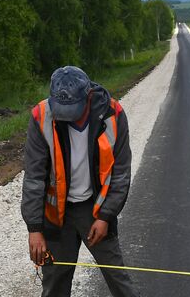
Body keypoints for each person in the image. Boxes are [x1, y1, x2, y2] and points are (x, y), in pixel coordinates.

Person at [21, 66, 140, 297]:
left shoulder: (112, 114)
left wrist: (106, 216)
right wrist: (34, 229)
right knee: (55, 283)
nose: (65, 116)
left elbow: (121, 173)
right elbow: (34, 177)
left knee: (118, 279)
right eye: (61, 110)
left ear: (87, 97)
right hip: (56, 214)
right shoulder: (41, 116)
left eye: (71, 110)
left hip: (95, 210)